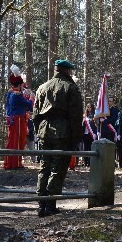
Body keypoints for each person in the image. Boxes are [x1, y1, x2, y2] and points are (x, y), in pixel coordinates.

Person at [32, 59, 83, 217]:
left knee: (44, 166)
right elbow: (75, 116)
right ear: (67, 71)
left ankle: (41, 203)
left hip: (44, 131)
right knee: (57, 168)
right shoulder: (70, 88)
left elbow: (35, 114)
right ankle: (50, 204)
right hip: (62, 132)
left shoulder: (42, 87)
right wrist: (75, 139)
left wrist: (39, 131)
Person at [4, 70, 34, 169]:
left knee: (12, 141)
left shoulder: (10, 93)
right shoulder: (17, 95)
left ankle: (12, 163)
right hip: (18, 120)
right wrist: (31, 98)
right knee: (18, 141)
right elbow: (28, 105)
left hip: (13, 119)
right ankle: (15, 163)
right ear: (19, 85)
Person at [81, 102, 98, 167]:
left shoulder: (94, 115)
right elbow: (82, 125)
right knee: (85, 148)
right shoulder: (84, 116)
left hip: (92, 134)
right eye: (88, 107)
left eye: (90, 107)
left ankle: (90, 162)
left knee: (90, 148)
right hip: (85, 134)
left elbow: (96, 125)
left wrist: (95, 133)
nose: (89, 108)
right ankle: (85, 162)